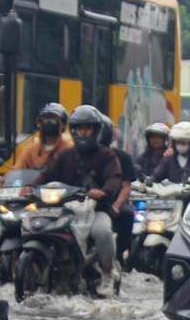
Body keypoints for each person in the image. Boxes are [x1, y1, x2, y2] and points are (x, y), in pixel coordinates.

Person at [24, 105, 123, 297]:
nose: (82, 133)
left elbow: (115, 178)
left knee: (102, 231)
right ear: (73, 130)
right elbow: (47, 174)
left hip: (96, 210)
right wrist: (31, 188)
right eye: (78, 128)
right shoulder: (65, 155)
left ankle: (108, 274)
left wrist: (103, 192)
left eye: (87, 128)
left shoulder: (107, 155)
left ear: (96, 130)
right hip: (65, 209)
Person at [99, 115, 138, 270]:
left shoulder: (122, 157)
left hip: (110, 203)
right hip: (84, 205)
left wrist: (116, 205)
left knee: (127, 214)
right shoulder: (75, 155)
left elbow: (126, 186)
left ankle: (119, 255)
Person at [12, 103, 74, 171]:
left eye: (53, 120)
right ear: (39, 123)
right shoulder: (31, 150)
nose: (48, 123)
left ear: (63, 124)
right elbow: (17, 170)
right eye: (45, 119)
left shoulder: (69, 149)